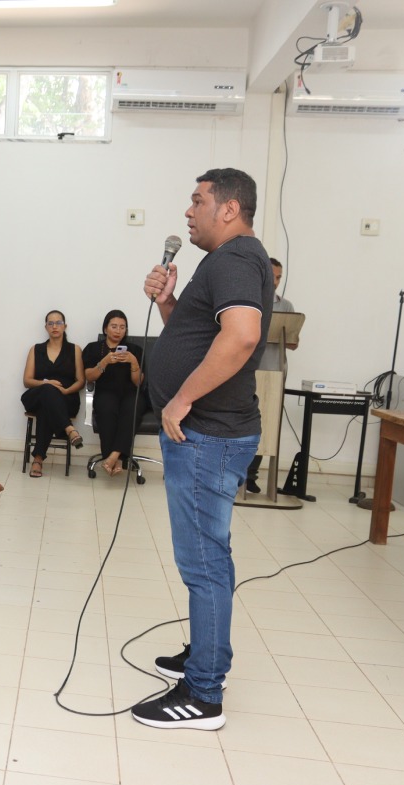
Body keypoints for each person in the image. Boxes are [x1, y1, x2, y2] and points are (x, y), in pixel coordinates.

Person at [135, 167, 271, 731]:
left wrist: (179, 402)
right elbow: (198, 339)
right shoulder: (223, 262)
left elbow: (240, 336)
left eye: (198, 202)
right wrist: (169, 304)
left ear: (230, 209)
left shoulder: (236, 258)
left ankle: (204, 695)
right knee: (206, 558)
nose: (187, 212)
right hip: (210, 433)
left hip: (208, 434)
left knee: (205, 564)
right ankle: (203, 658)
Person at [245, 257, 297, 493]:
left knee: (267, 426)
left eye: (279, 277)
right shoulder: (248, 299)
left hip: (274, 374)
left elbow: (293, 342)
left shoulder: (285, 306)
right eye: (273, 276)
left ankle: (252, 477)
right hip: (248, 371)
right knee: (246, 423)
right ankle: (238, 474)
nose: (276, 282)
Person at [21, 310, 85, 477]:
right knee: (47, 392)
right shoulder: (36, 349)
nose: (55, 326)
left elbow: (80, 381)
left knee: (46, 408)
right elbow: (27, 380)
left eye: (58, 323)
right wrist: (46, 383)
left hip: (67, 398)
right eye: (51, 323)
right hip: (37, 394)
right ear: (46, 327)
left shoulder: (75, 350)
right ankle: (69, 429)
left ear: (65, 326)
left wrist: (66, 390)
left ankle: (38, 459)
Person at [82, 310, 145, 477]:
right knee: (107, 408)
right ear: (105, 329)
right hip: (106, 391)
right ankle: (115, 458)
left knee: (131, 409)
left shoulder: (135, 350)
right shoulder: (93, 348)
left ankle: (113, 456)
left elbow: (138, 382)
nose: (118, 331)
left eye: (122, 327)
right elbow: (89, 377)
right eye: (114, 326)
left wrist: (133, 362)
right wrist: (104, 362)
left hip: (131, 393)